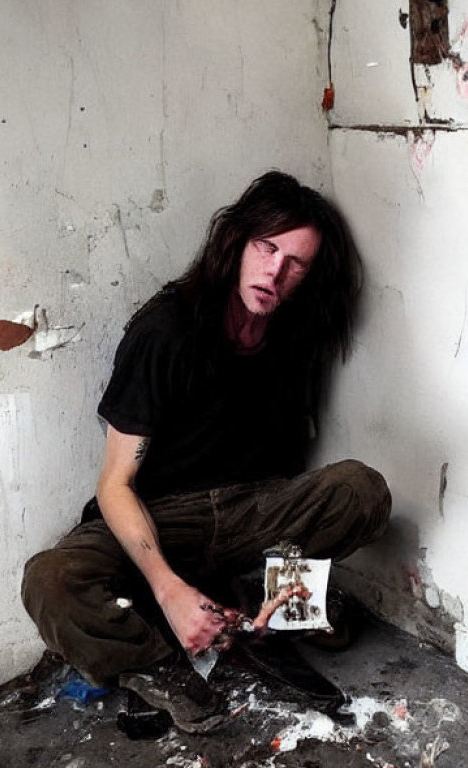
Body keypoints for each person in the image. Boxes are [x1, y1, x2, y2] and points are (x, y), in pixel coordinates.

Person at [22, 171, 391, 731]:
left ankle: (272, 608)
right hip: (162, 516)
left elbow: (290, 471)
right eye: (266, 248)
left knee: (360, 488)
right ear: (236, 242)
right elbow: (114, 485)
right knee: (49, 580)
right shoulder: (166, 329)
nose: (275, 272)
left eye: (296, 263)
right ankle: (159, 663)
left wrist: (287, 578)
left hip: (250, 509)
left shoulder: (295, 333)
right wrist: (168, 590)